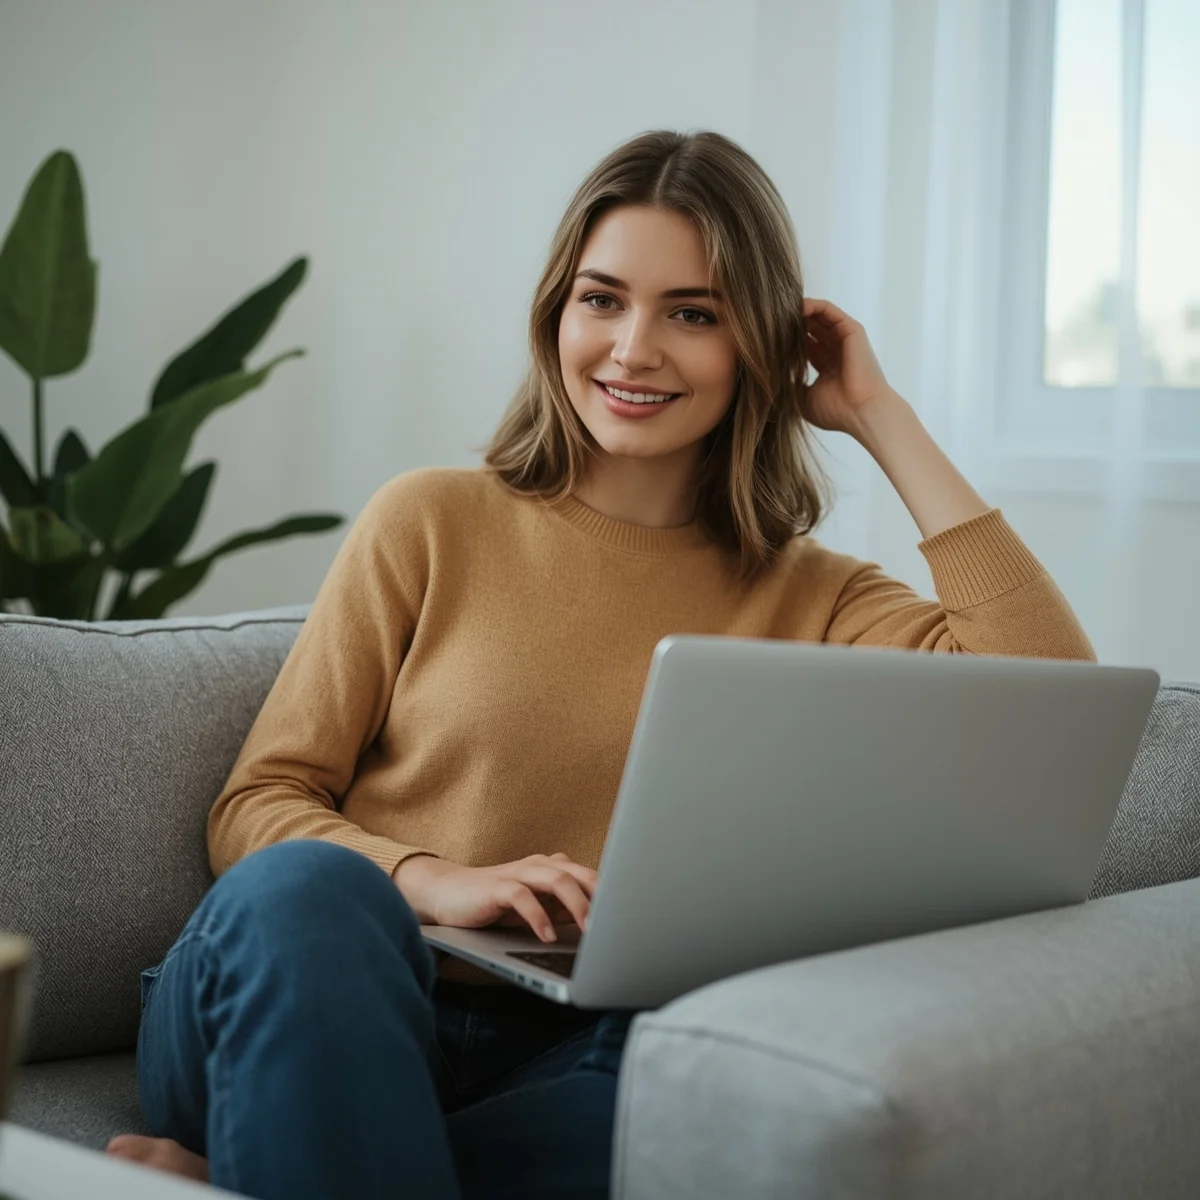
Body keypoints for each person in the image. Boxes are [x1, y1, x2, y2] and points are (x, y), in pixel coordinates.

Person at [104, 128, 1095, 1198]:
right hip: (320, 988)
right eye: (602, 300)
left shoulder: (822, 597)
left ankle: (258, 1162)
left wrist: (878, 417)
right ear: (556, 316)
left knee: (729, 1086)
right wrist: (435, 882)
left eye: (694, 314)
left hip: (574, 1049)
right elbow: (258, 804)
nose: (633, 350)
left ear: (760, 346)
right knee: (308, 890)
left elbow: (1056, 708)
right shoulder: (428, 520)